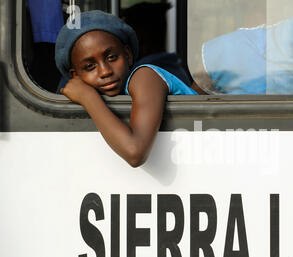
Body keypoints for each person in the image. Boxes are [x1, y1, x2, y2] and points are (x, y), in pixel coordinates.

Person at [55, 10, 201, 168]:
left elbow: (135, 152)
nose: (105, 71)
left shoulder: (145, 76)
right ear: (75, 76)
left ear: (128, 55)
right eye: (90, 66)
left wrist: (88, 98)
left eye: (112, 57)